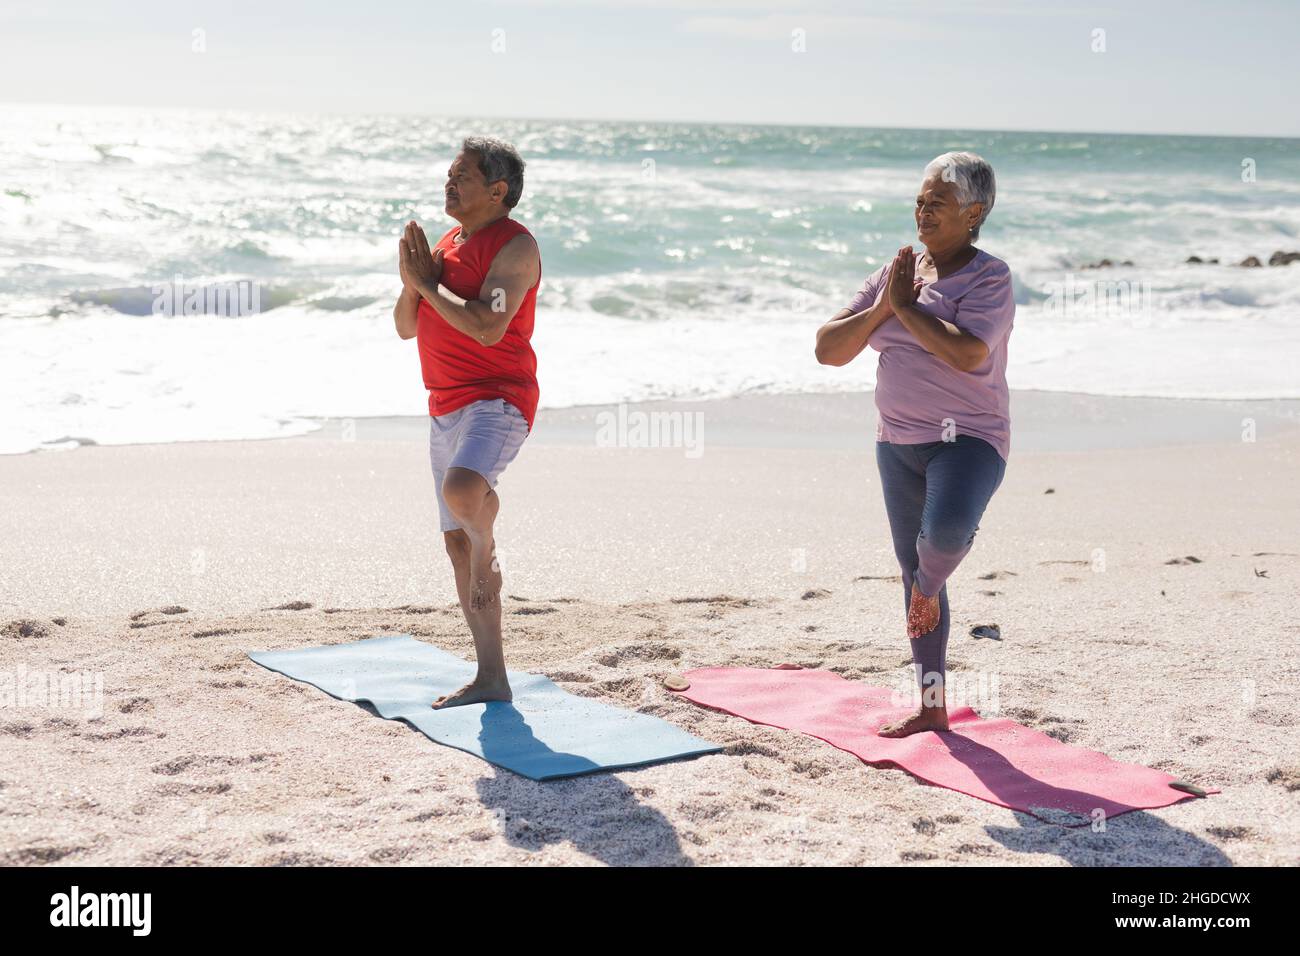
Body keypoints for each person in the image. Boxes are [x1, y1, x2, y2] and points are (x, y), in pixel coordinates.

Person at [814, 151, 1014, 738]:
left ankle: (929, 586)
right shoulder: (896, 272)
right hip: (896, 443)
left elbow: (968, 351)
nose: (923, 211)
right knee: (912, 564)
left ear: (974, 212)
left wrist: (904, 307)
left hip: (970, 440)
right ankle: (932, 706)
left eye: (938, 202)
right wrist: (885, 303)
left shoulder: (990, 277)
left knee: (943, 542)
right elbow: (829, 349)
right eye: (920, 200)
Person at [392, 136, 542, 709]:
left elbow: (486, 327)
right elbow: (408, 327)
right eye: (448, 176)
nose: (449, 185)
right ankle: (491, 677)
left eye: (463, 177)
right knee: (457, 544)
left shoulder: (516, 247)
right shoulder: (448, 245)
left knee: (463, 492)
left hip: (499, 399)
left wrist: (428, 284)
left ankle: (487, 525)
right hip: (444, 404)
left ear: (498, 191)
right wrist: (413, 281)